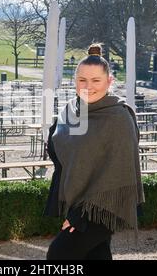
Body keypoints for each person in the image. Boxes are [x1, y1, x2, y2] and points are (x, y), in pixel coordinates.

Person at [44, 43, 145, 260]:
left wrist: (80, 216)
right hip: (77, 199)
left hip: (105, 204)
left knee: (59, 254)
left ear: (110, 81)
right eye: (82, 80)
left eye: (96, 80)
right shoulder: (69, 111)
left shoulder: (119, 117)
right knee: (96, 255)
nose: (88, 86)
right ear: (74, 81)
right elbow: (57, 149)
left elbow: (117, 169)